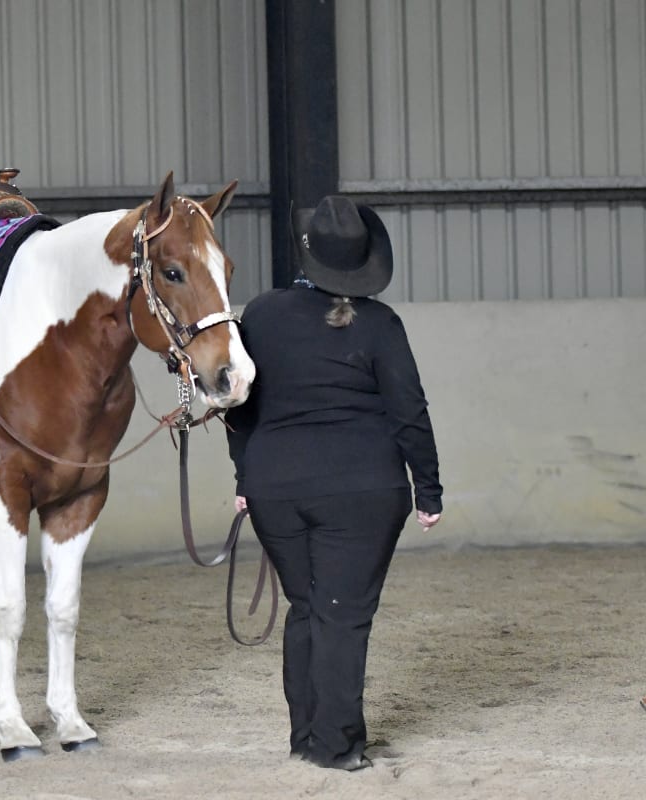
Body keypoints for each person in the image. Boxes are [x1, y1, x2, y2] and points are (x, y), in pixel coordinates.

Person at [225, 195, 443, 772]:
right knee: (343, 614)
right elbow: (409, 411)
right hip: (363, 489)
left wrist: (245, 475)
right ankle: (337, 744)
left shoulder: (263, 314)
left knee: (308, 608)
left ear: (308, 252)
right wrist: (429, 489)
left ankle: (306, 736)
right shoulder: (380, 324)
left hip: (277, 488)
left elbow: (238, 404)